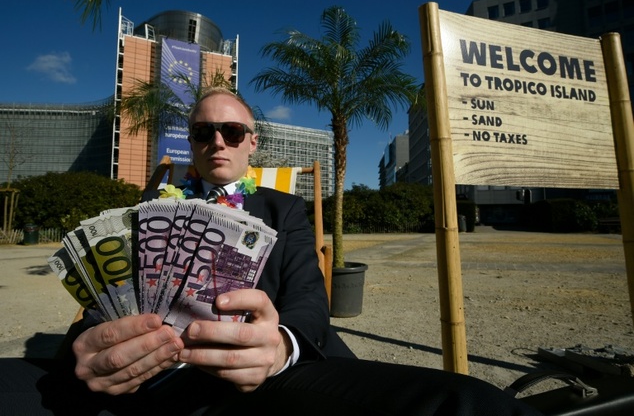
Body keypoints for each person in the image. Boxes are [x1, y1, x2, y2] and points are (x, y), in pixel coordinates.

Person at [0, 88, 543, 416]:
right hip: (151, 379)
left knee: (465, 404)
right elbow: (106, 296)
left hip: (270, 378)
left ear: (251, 142)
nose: (218, 142)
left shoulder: (284, 209)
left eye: (232, 131)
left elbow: (309, 297)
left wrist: (280, 346)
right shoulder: (152, 206)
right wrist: (87, 350)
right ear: (190, 143)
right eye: (204, 132)